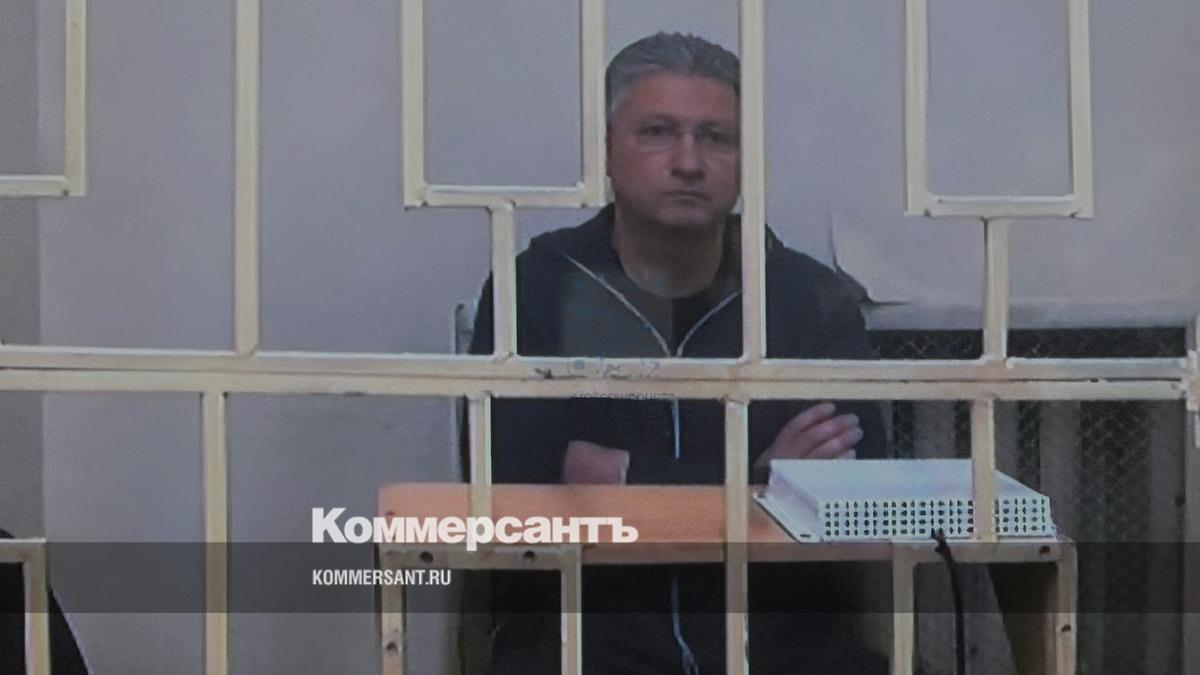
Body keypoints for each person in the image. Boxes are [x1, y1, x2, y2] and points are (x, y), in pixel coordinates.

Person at [465, 32, 888, 674]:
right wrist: (761, 481)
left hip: (781, 647)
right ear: (608, 150)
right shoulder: (539, 287)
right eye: (658, 132)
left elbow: (859, 482)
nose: (689, 162)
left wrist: (616, 476)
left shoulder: (805, 296)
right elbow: (514, 485)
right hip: (582, 645)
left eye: (716, 137)